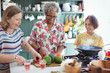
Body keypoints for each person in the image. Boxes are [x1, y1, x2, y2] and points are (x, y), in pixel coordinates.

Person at [0, 6, 41, 73]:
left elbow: (23, 43)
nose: (20, 23)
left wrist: (33, 52)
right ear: (8, 19)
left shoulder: (17, 30)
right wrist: (14, 57)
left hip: (14, 69)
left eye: (20, 19)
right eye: (17, 20)